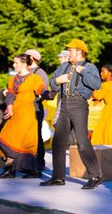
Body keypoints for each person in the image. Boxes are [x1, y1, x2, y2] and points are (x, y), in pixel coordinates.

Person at [40, 39, 103, 189]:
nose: (68, 53)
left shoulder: (89, 67)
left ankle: (95, 175)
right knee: (58, 143)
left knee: (82, 142)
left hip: (79, 104)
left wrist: (84, 72)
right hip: (64, 105)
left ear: (80, 52)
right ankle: (58, 177)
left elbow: (96, 85)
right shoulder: (64, 66)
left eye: (71, 51)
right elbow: (52, 81)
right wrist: (57, 81)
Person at [0, 54, 45, 179]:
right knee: (8, 138)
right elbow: (10, 95)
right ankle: (11, 170)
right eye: (14, 63)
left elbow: (41, 91)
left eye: (16, 63)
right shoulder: (12, 79)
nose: (14, 65)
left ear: (24, 63)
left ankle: (26, 170)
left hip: (27, 114)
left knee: (25, 142)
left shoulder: (34, 78)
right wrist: (9, 107)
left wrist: (48, 93)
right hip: (14, 113)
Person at [25, 49, 49, 175]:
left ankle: (39, 163)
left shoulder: (40, 73)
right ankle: (27, 163)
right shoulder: (25, 72)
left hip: (36, 108)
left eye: (26, 56)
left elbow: (43, 93)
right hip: (25, 109)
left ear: (33, 58)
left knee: (36, 137)